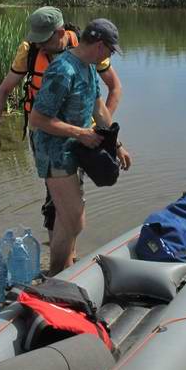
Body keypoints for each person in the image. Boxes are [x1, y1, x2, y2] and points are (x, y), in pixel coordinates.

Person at [0, 6, 123, 233]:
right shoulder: (29, 51)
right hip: (46, 135)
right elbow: (4, 91)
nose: (38, 44)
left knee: (75, 195)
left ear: (59, 33)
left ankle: (68, 254)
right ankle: (61, 257)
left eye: (43, 40)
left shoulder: (86, 47)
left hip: (82, 137)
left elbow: (113, 89)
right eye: (35, 39)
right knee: (57, 198)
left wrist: (103, 134)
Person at [28, 19, 132, 275]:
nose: (110, 56)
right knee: (75, 219)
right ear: (99, 45)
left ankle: (63, 271)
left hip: (77, 150)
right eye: (110, 50)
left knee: (68, 219)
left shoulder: (88, 68)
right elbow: (37, 119)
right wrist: (81, 133)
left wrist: (117, 145)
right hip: (55, 153)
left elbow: (99, 108)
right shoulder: (63, 70)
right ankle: (56, 275)